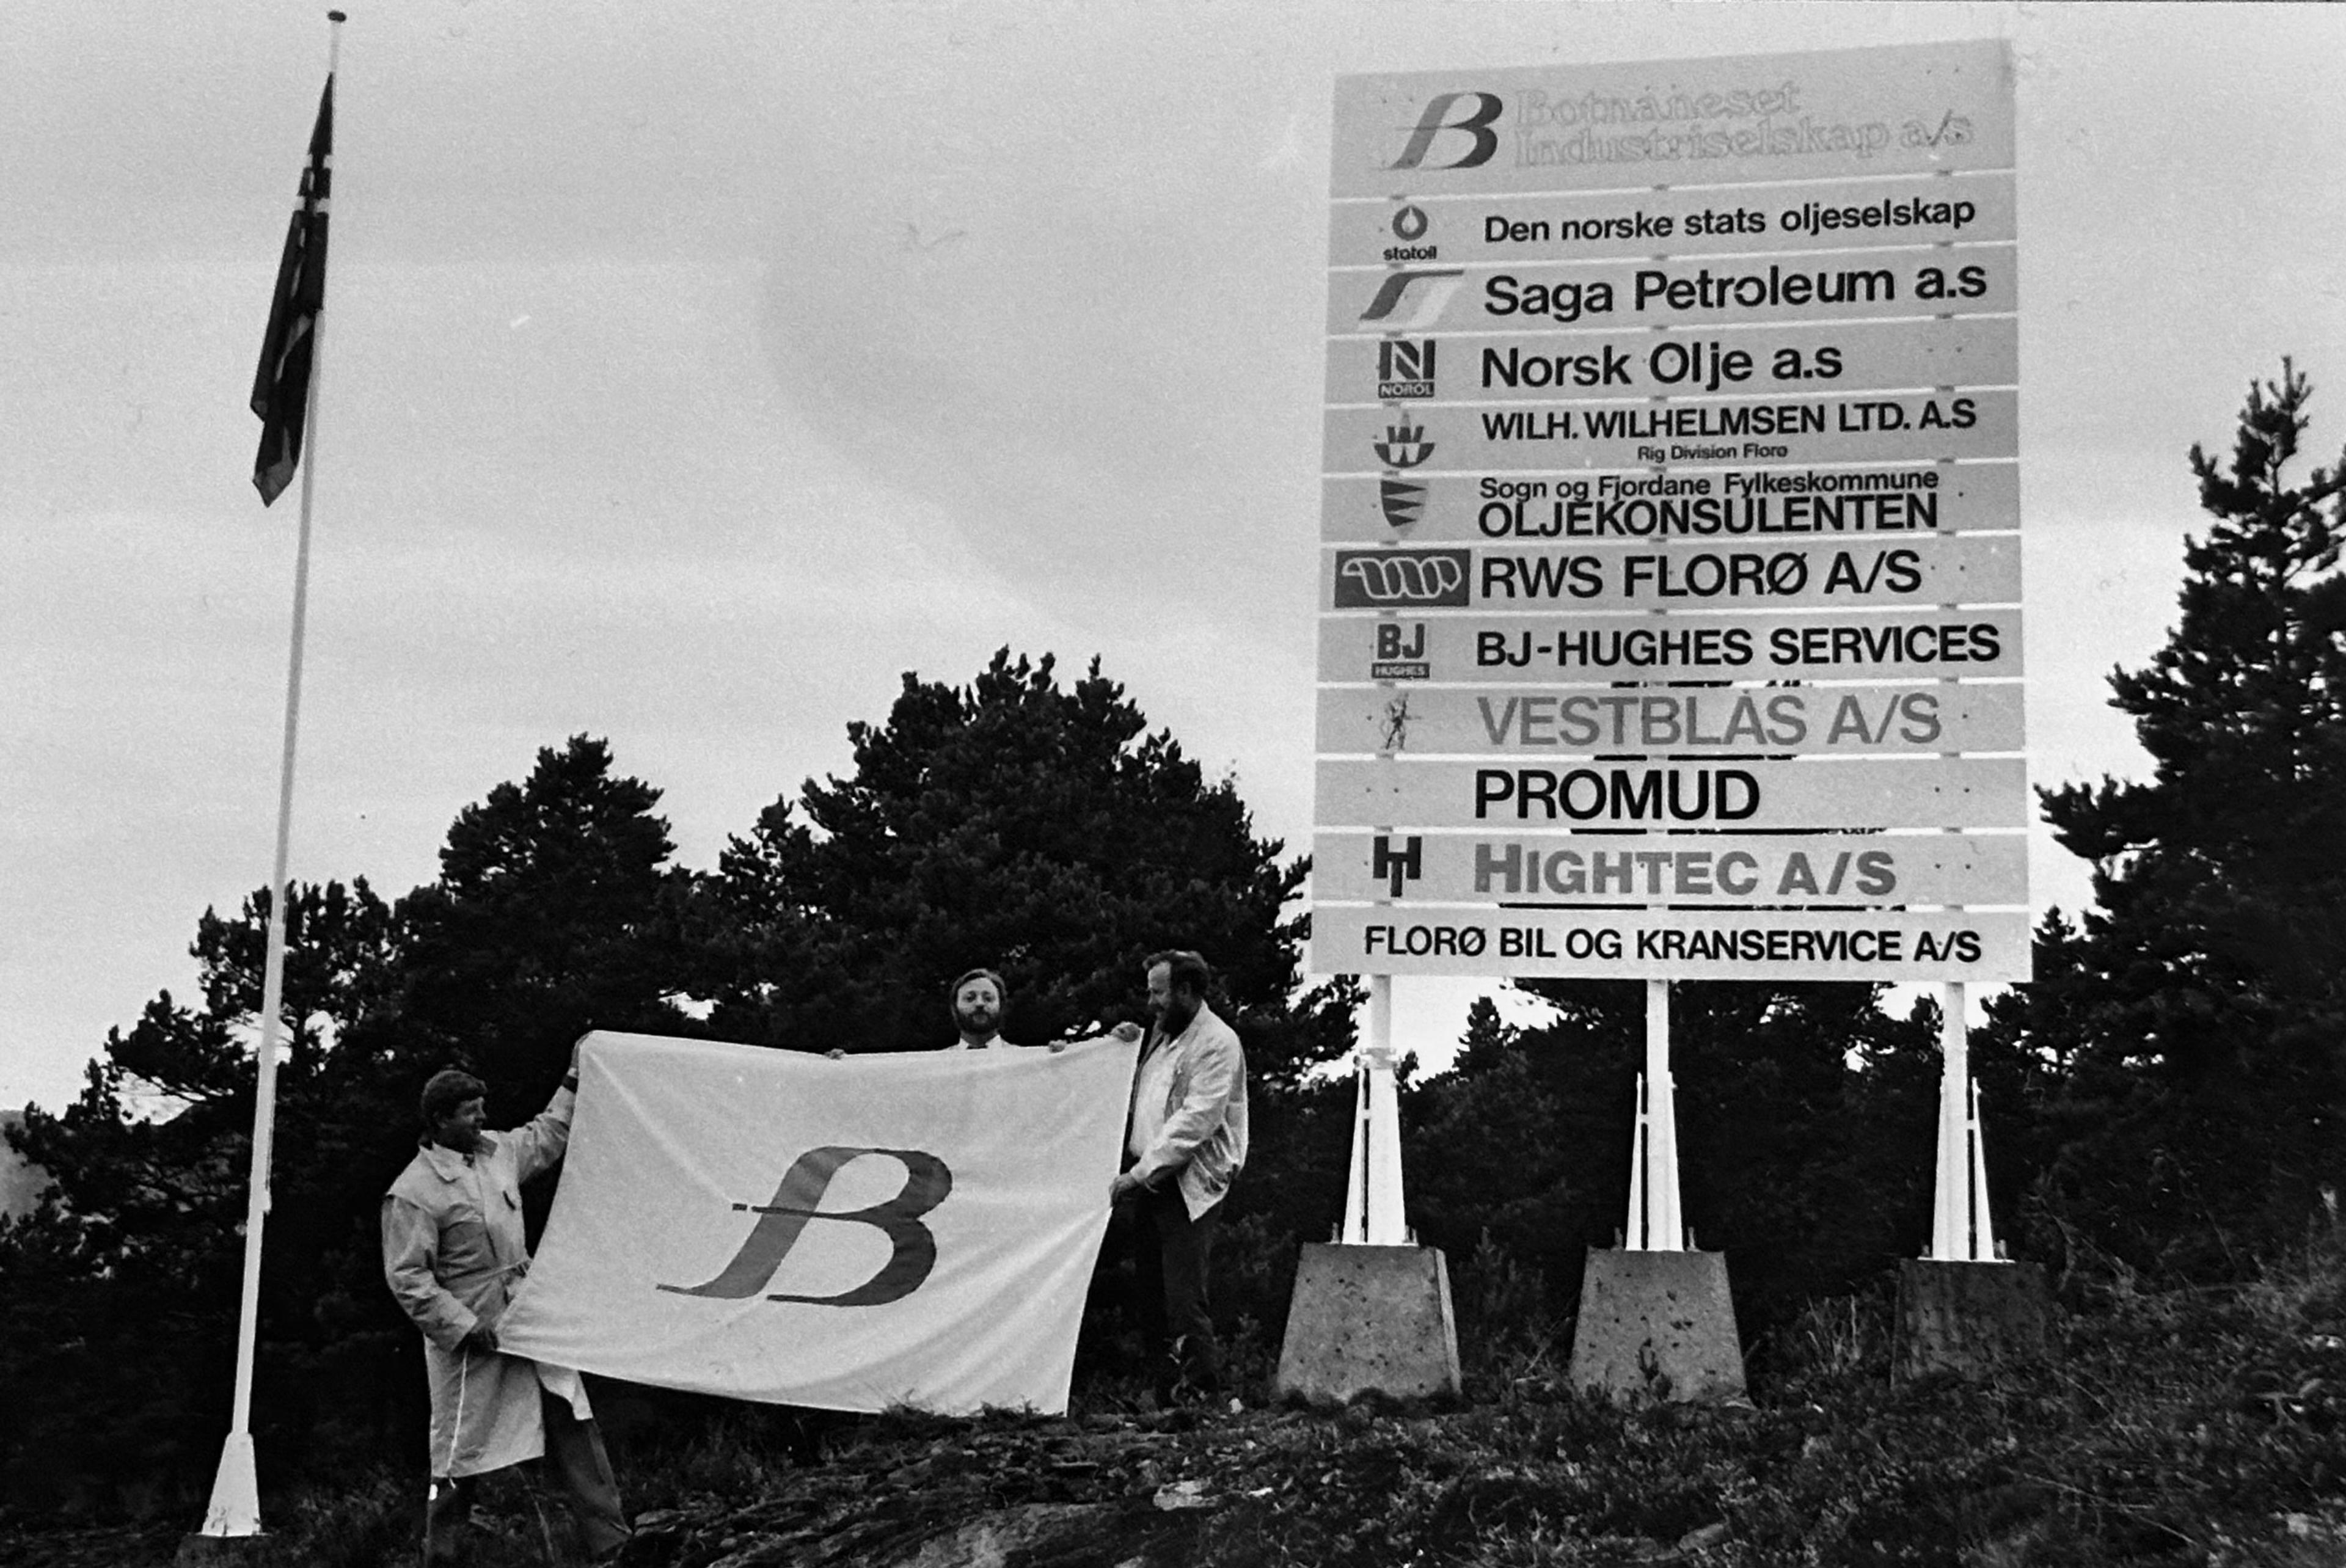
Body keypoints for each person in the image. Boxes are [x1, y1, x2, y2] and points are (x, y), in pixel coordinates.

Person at [382, 1045, 629, 1565]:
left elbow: (548, 1133)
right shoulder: (414, 1190)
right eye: (469, 1111)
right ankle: (441, 1556)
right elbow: (408, 1278)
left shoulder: (496, 1152)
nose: (481, 1119)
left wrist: (574, 1075)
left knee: (572, 1417)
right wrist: (465, 1325)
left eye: (480, 1107)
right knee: (457, 1452)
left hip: (525, 1309)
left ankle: (612, 1543)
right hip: (471, 1334)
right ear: (439, 1120)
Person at [1108, 949, 1249, 1402]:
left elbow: (1196, 1121)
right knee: (1152, 1292)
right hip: (1151, 1180)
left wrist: (1140, 1172)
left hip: (1188, 1184)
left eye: (1158, 993)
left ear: (1186, 991)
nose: (1150, 1002)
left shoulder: (1216, 1043)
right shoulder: (1162, 1034)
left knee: (1184, 1295)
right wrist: (1121, 1046)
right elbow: (1141, 1093)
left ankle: (1203, 1394)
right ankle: (1167, 1392)